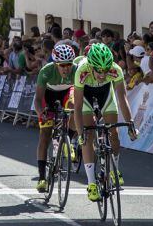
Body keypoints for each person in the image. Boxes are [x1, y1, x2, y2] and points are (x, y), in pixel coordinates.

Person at [73, 43, 138, 202]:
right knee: (87, 136)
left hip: (106, 95)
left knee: (114, 133)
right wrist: (80, 133)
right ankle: (91, 183)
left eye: (106, 70)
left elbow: (122, 98)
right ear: (91, 66)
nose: (103, 74)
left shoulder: (116, 69)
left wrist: (130, 124)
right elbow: (78, 106)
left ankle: (114, 169)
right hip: (86, 97)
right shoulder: (82, 71)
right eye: (99, 70)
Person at [32, 43, 77, 193]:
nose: (66, 68)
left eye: (69, 64)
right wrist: (41, 113)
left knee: (74, 106)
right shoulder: (46, 71)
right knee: (45, 136)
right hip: (48, 96)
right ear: (56, 64)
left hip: (66, 94)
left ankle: (67, 139)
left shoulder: (76, 70)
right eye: (62, 65)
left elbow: (81, 95)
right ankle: (42, 178)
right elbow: (38, 99)